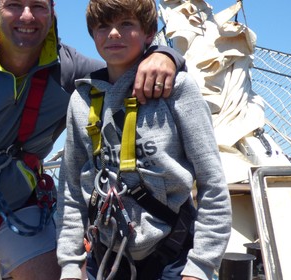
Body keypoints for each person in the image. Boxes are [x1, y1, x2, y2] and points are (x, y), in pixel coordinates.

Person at [0, 0, 185, 279]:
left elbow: (125, 71)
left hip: (19, 208)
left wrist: (164, 55)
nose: (27, 16)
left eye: (38, 6)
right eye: (15, 5)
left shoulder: (69, 70)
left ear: (52, 11)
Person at [55, 0, 232, 279]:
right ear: (93, 34)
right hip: (104, 257)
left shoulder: (177, 90)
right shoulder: (82, 100)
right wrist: (69, 264)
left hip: (173, 257)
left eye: (126, 24)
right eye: (103, 26)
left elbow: (212, 182)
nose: (114, 33)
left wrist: (201, 267)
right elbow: (71, 189)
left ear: (149, 33)